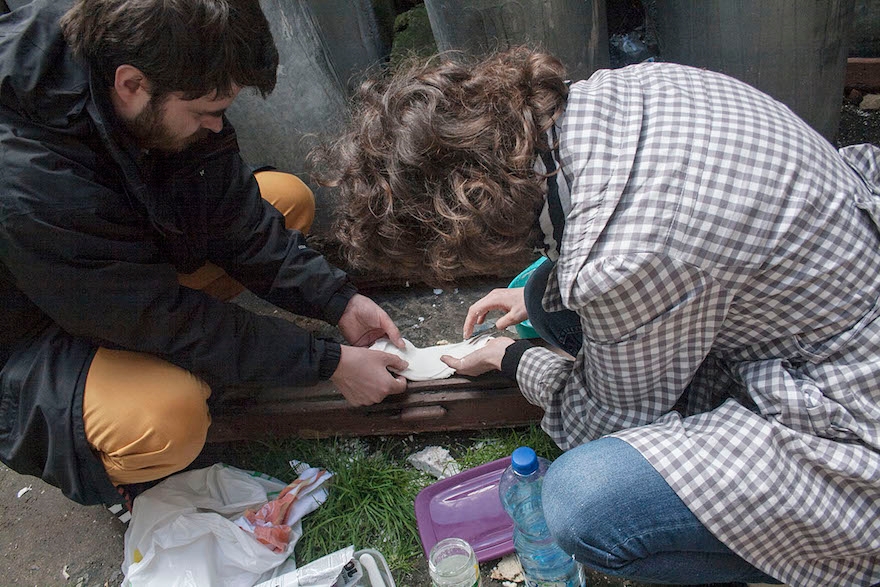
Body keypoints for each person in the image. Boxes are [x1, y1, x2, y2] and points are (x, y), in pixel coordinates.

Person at [316, 47, 880, 586]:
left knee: (582, 502)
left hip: (848, 402)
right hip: (827, 288)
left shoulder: (623, 259)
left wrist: (511, 357)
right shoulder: (610, 96)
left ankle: (810, 559)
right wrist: (545, 289)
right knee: (542, 297)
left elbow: (604, 424)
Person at [0, 0, 410, 508]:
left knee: (286, 198)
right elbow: (160, 318)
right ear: (131, 85)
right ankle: (120, 457)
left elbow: (229, 209)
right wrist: (326, 363)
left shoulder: (149, 58)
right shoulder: (29, 182)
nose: (218, 126)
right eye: (206, 112)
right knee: (169, 417)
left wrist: (336, 300)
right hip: (30, 337)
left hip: (106, 277)